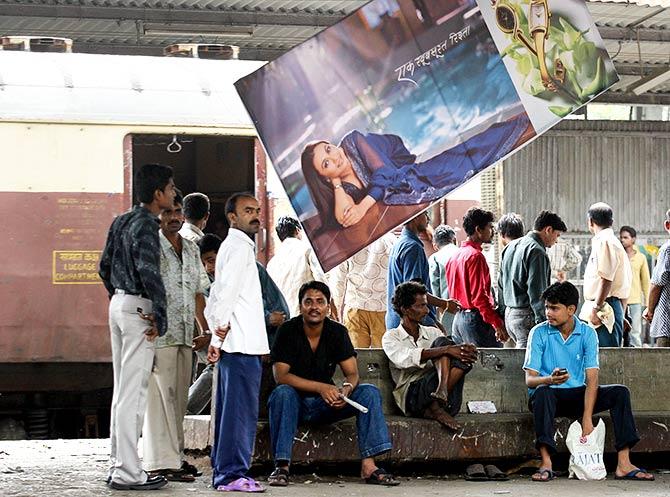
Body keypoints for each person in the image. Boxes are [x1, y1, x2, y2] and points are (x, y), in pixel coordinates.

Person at [267, 281, 399, 487]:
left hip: (326, 405)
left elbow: (353, 374)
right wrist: (322, 387)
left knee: (369, 393)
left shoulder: (337, 331)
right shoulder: (287, 330)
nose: (314, 307)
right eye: (308, 301)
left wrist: (345, 390)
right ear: (300, 305)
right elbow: (281, 376)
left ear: (328, 306)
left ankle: (369, 466)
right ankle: (282, 466)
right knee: (282, 392)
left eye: (320, 302)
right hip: (295, 404)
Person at [301, 114, 533, 229]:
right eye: (326, 164)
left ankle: (521, 124)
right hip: (397, 171)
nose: (334, 156)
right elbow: (343, 218)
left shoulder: (353, 141)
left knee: (465, 156)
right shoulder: (342, 186)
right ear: (322, 176)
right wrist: (336, 182)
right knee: (463, 159)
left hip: (398, 162)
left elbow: (383, 173)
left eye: (329, 148)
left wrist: (363, 206)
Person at [524, 281, 654, 482]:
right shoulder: (539, 333)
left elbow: (592, 379)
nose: (548, 312)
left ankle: (624, 463)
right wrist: (550, 379)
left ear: (571, 310)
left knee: (620, 392)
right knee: (542, 391)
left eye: (554, 308)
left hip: (577, 395)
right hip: (548, 396)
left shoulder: (587, 333)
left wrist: (587, 417)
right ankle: (546, 463)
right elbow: (530, 380)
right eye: (547, 307)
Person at [98, 163, 176, 491]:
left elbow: (103, 266)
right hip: (138, 310)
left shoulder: (121, 220)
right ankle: (129, 473)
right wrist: (160, 314)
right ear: (158, 194)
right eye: (170, 188)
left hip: (118, 304)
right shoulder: (147, 224)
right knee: (135, 393)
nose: (174, 193)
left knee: (122, 392)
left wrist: (119, 296)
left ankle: (121, 465)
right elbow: (149, 272)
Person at [143, 190, 209, 482]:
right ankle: (159, 462)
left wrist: (205, 329)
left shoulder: (192, 248)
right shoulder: (151, 247)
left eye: (177, 212)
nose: (173, 218)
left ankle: (174, 459)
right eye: (167, 212)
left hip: (185, 335)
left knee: (180, 400)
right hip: (159, 334)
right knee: (160, 400)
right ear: (159, 214)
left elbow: (198, 292)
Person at [204, 193, 269, 492]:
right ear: (232, 216)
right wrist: (217, 337)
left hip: (239, 343)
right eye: (247, 211)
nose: (255, 215)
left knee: (231, 412)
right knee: (239, 414)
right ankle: (231, 475)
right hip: (241, 343)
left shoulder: (234, 247)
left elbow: (216, 295)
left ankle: (225, 470)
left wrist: (216, 337)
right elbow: (225, 295)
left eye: (257, 210)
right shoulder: (239, 249)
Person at [383, 282, 477, 430]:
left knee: (461, 355)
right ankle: (438, 397)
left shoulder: (432, 332)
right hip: (414, 399)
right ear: (405, 310)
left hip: (447, 403)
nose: (427, 311)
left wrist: (466, 349)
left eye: (426, 305)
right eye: (421, 306)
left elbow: (453, 351)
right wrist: (446, 349)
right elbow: (405, 359)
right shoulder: (391, 337)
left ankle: (438, 398)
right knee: (443, 345)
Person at [498, 211, 567, 348]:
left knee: (520, 360)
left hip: (509, 315)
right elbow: (538, 293)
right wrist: (544, 322)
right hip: (526, 316)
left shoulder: (510, 247)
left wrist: (501, 315)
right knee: (530, 365)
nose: (556, 240)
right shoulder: (537, 251)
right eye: (557, 235)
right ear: (548, 230)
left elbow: (501, 285)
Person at [386, 211, 459, 331]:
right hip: (411, 326)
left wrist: (434, 320)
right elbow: (415, 293)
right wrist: (445, 304)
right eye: (425, 214)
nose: (428, 218)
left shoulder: (401, 243)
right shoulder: (412, 247)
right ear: (415, 217)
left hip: (400, 322)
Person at [446, 207, 508, 347]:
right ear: (478, 230)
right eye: (489, 227)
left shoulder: (455, 256)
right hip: (475, 321)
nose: (492, 232)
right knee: (490, 366)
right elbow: (480, 298)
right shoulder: (475, 256)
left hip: (458, 319)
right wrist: (497, 324)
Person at [330, 232, 396, 348]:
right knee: (382, 355)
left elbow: (338, 281)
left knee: (357, 355)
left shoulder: (345, 243)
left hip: (355, 308)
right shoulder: (390, 240)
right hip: (383, 308)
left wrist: (337, 308)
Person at [583, 203, 632, 347]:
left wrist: (596, 308)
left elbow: (606, 279)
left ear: (590, 222)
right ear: (612, 222)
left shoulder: (605, 242)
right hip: (608, 305)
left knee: (603, 358)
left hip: (604, 307)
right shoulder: (611, 242)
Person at [267, 216, 328, 317]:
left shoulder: (272, 263)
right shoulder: (307, 250)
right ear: (297, 230)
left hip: (285, 318)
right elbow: (321, 281)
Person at [619, 226, 650, 347]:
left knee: (635, 332)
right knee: (619, 330)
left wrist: (648, 304)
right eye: (621, 237)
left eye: (626, 237)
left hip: (635, 301)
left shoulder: (640, 258)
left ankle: (637, 361)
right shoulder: (619, 255)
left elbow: (646, 282)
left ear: (633, 239)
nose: (622, 240)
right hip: (619, 300)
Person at [644, 209, 670, 347]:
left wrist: (650, 310)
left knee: (665, 366)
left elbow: (656, 285)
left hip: (668, 325)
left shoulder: (667, 249)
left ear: (667, 225)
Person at [428, 225, 459, 333]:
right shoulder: (465, 254)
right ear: (454, 240)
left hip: (447, 310)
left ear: (435, 246)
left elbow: (434, 287)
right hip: (469, 312)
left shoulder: (435, 258)